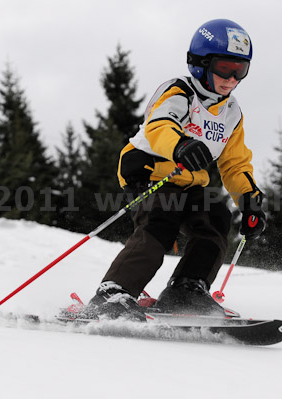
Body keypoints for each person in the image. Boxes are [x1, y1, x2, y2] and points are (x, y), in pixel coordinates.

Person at [79, 19, 266, 321]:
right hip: (149, 172)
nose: (232, 79)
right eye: (224, 68)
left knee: (216, 215)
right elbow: (159, 126)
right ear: (201, 63)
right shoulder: (180, 91)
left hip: (188, 183)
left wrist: (250, 200)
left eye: (240, 70)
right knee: (161, 218)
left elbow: (234, 163)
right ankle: (113, 292)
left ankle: (187, 288)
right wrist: (180, 146)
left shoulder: (231, 113)